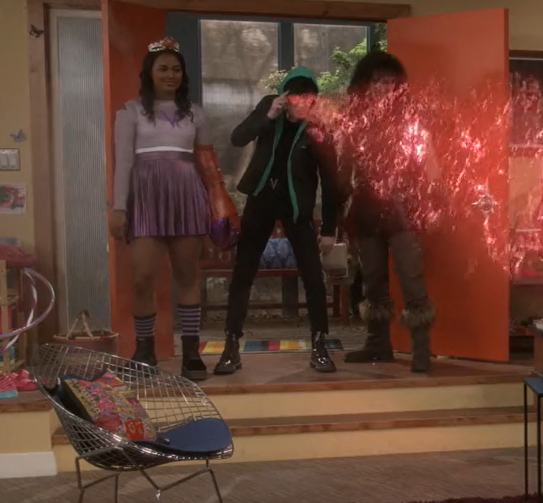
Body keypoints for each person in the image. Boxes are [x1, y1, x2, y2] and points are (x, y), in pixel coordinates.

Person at [108, 37, 238, 380]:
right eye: (163, 68)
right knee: (141, 278)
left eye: (176, 69)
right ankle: (144, 350)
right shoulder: (129, 111)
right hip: (144, 197)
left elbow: (207, 164)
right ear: (149, 73)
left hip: (187, 195)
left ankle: (191, 354)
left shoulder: (196, 113)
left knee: (188, 276)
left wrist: (219, 206)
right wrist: (119, 207)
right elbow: (123, 163)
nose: (170, 75)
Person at [214, 66, 340, 375]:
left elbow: (332, 181)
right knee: (243, 271)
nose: (303, 103)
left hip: (296, 207)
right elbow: (238, 138)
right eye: (296, 96)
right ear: (285, 97)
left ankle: (320, 344)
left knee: (313, 275)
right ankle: (231, 344)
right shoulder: (268, 108)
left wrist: (329, 229)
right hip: (261, 200)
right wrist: (268, 115)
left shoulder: (320, 128)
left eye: (309, 97)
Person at [336, 52, 435, 373]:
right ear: (366, 84)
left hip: (403, 208)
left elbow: (426, 165)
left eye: (390, 81)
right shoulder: (353, 119)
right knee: (372, 280)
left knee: (411, 278)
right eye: (378, 81)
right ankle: (377, 344)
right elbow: (344, 167)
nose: (384, 87)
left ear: (397, 85)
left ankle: (421, 350)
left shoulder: (411, 118)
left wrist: (429, 201)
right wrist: (338, 209)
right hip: (366, 208)